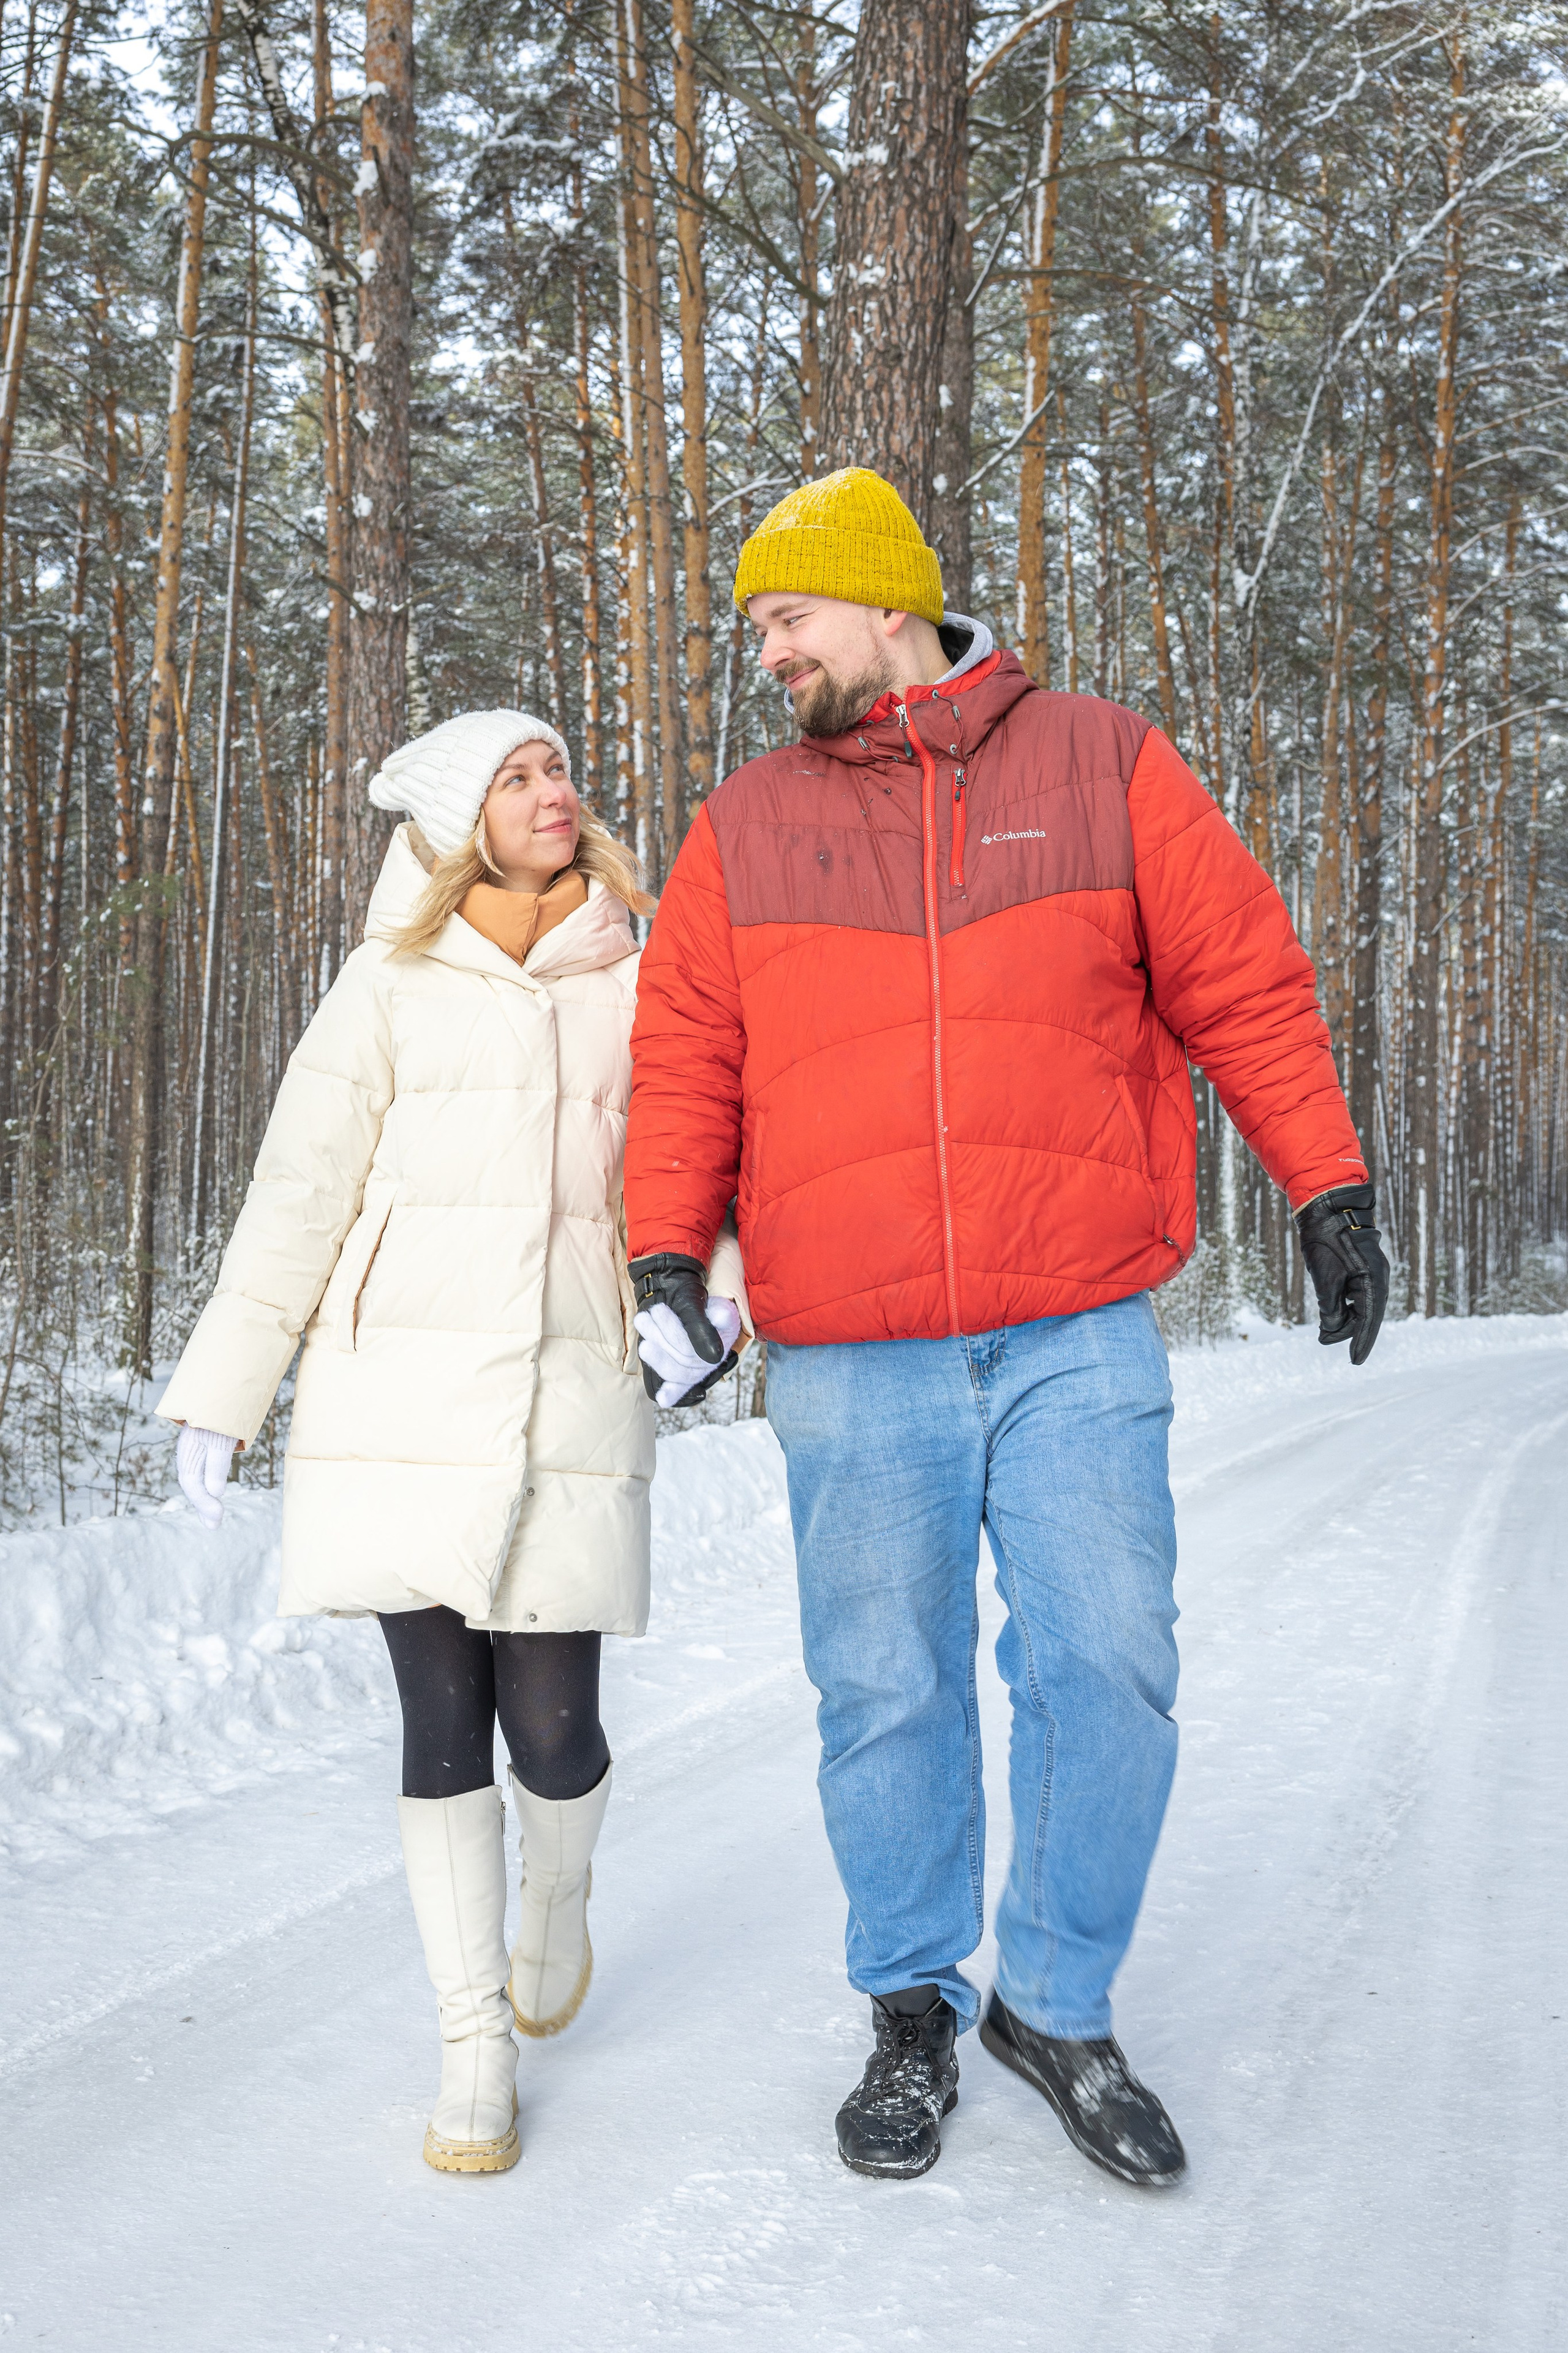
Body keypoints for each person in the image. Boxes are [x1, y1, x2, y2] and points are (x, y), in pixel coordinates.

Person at [622, 469, 1389, 2187]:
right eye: (754, 626)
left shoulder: (1105, 764)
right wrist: (669, 1250)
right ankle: (912, 2002)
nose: (766, 652)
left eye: (785, 617)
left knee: (1109, 1661)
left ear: (887, 603)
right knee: (885, 1688)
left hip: (1075, 1327)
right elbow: (685, 1055)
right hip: (849, 1346)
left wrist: (1324, 1182)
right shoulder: (747, 823)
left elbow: (1242, 981)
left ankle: (1056, 1998)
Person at [159, 711, 745, 2175]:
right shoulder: (388, 983)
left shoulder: (644, 969)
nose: (557, 793)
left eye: (558, 770)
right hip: (394, 1393)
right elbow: (300, 1187)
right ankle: (469, 2039)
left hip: (570, 1383)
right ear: (450, 820)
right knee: (438, 1723)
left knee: (552, 1728)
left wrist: (717, 1307)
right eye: (518, 778)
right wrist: (226, 1390)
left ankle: (559, 1894)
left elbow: (715, 1151)